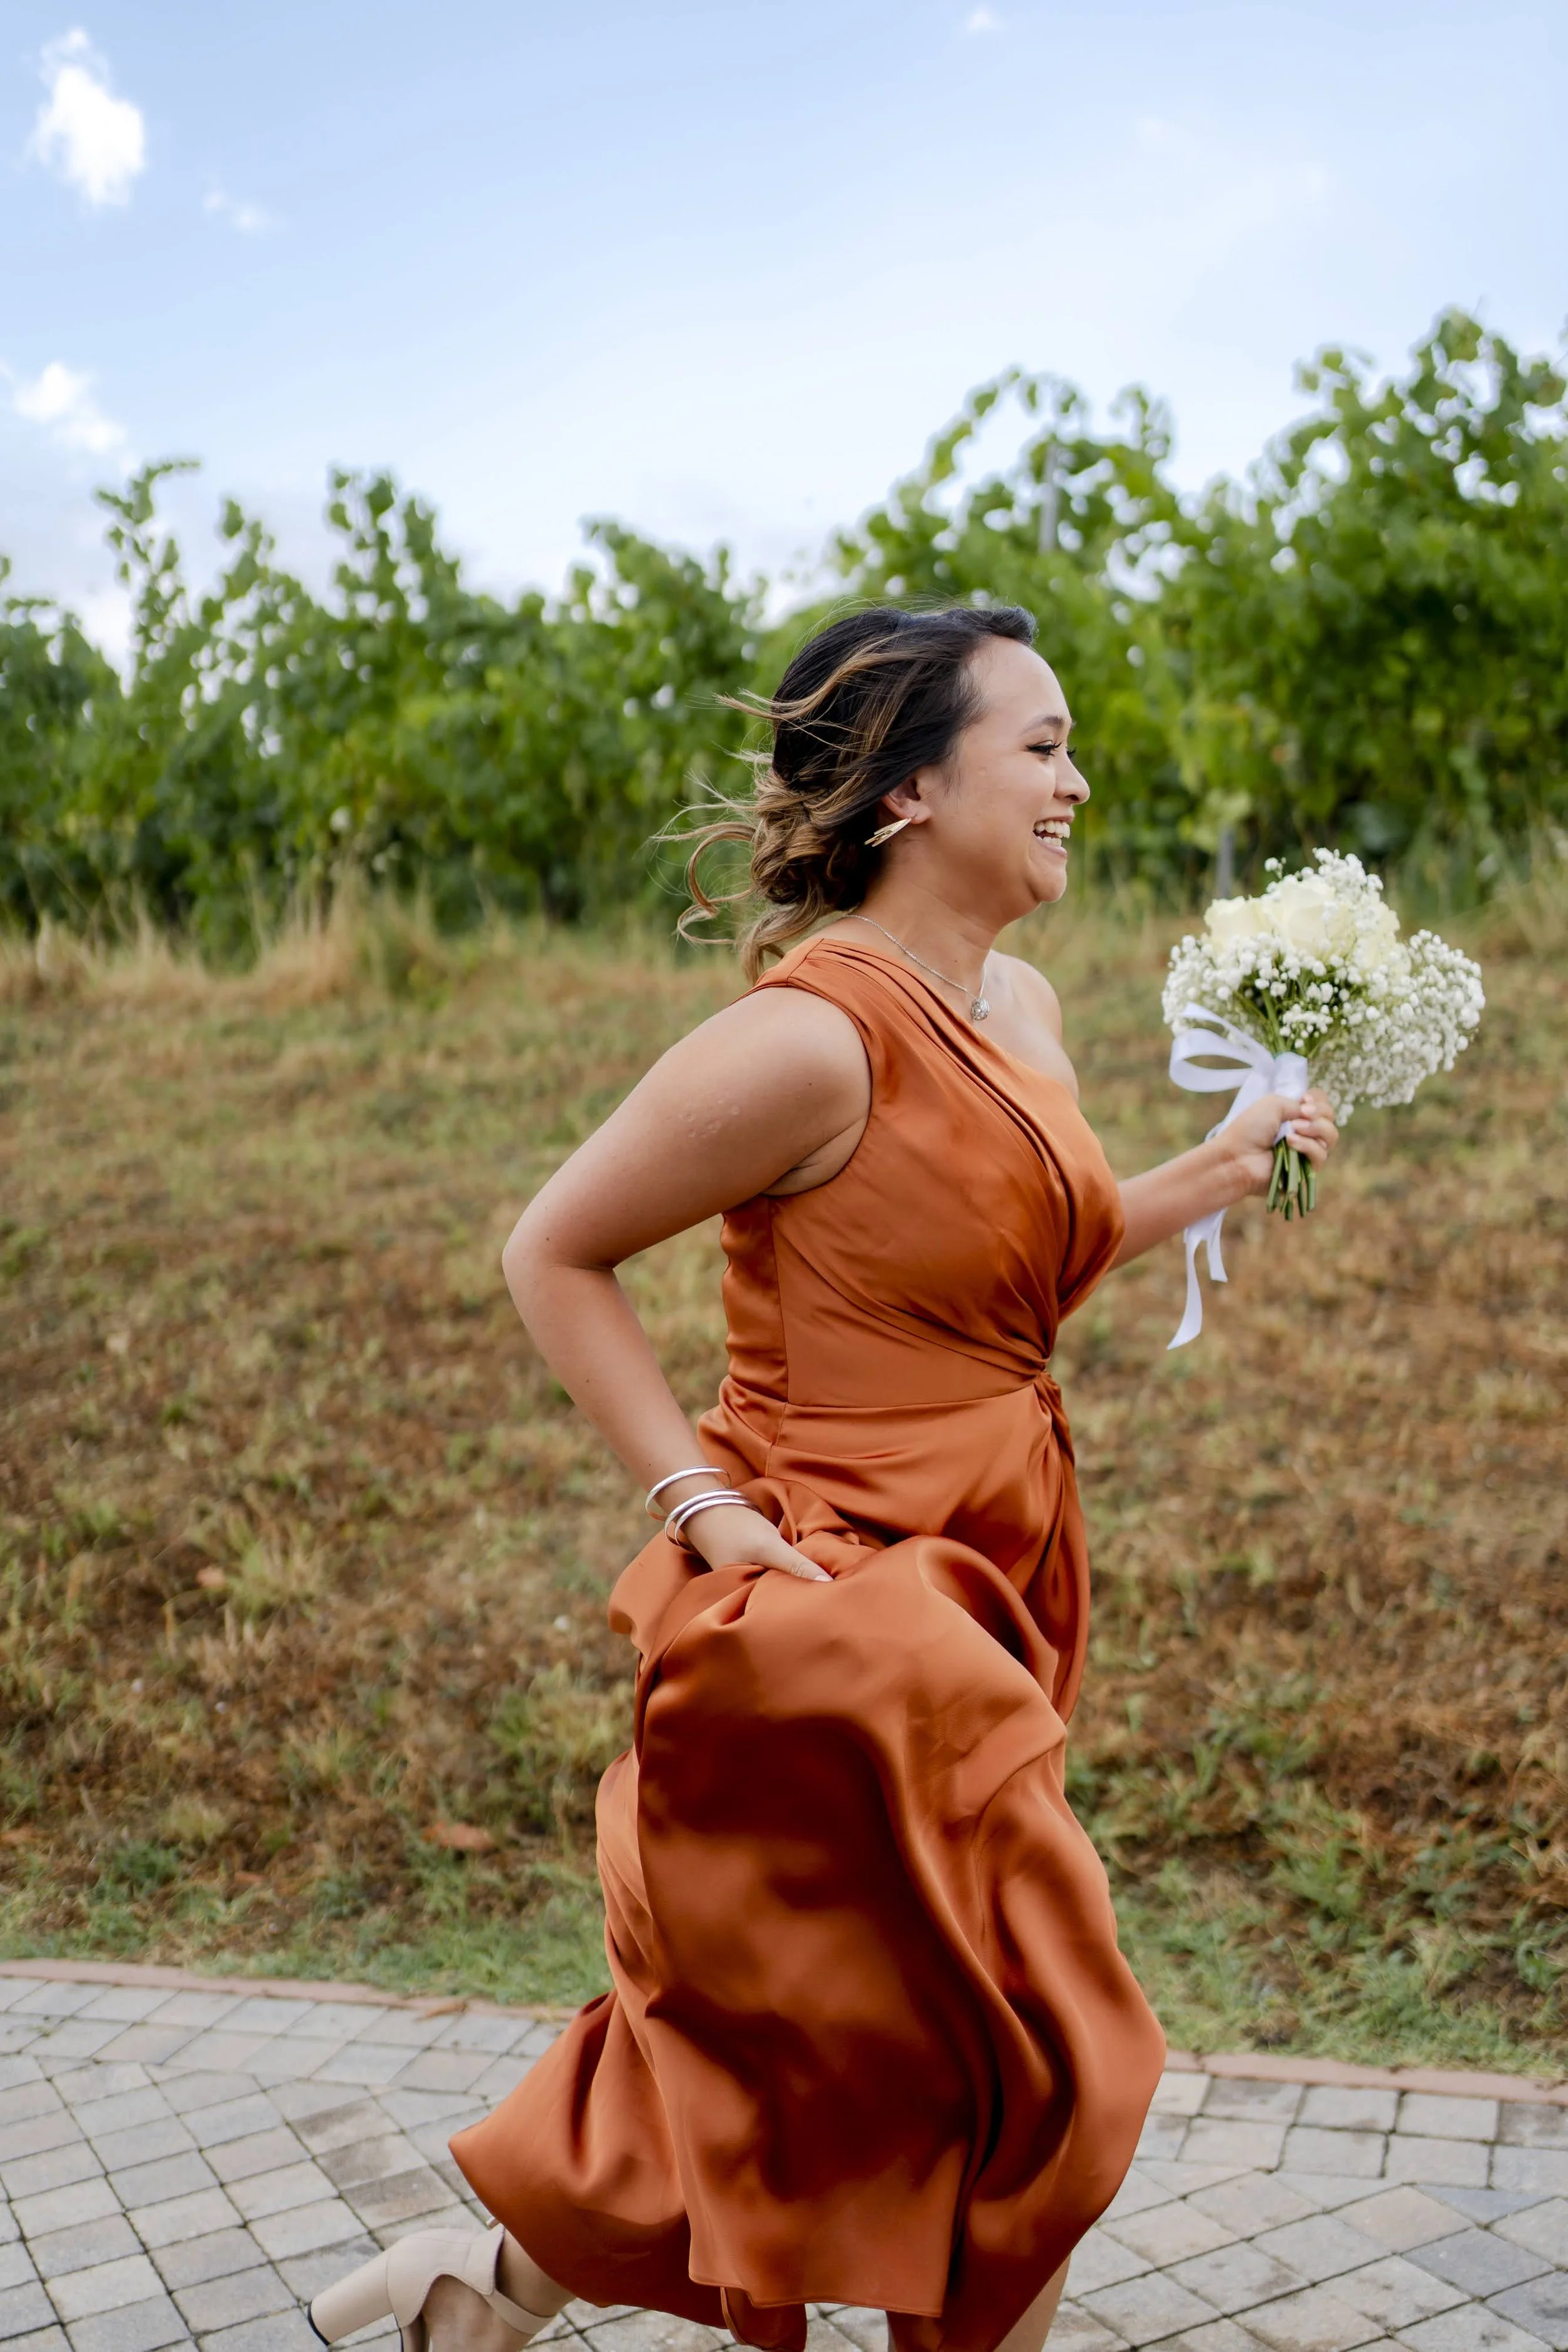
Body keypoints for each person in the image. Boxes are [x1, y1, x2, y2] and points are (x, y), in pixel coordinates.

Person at [307, 605, 1339, 2352]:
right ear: (914, 789)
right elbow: (550, 1250)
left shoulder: (1020, 1003)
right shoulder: (807, 1039)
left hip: (996, 1557)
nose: (1076, 781)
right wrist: (693, 1504)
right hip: (833, 1598)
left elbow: (1027, 1254)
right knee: (1039, 2026)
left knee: (830, 2006)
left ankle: (470, 2301)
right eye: (1041, 744)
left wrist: (1212, 1171)